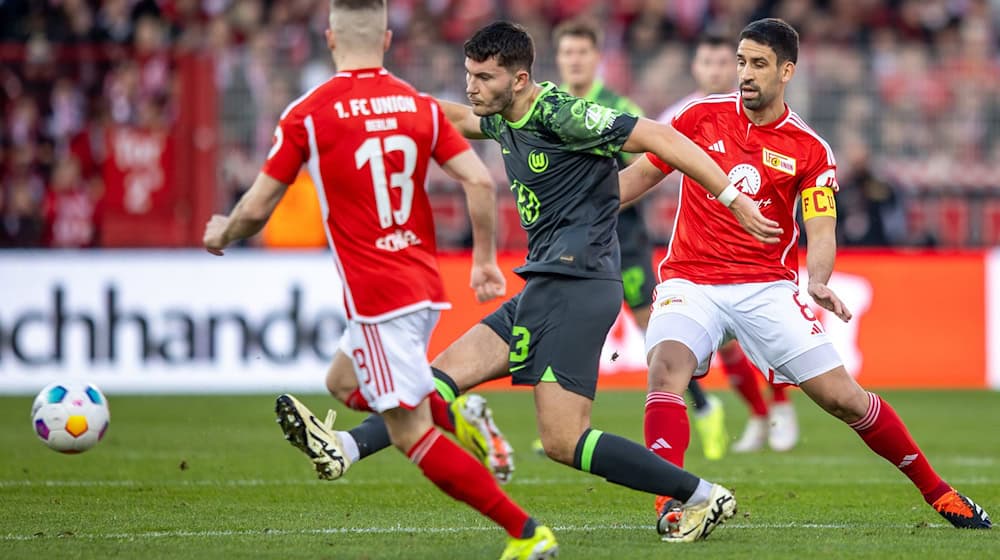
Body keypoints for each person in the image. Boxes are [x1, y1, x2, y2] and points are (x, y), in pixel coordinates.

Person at [201, 2, 559, 558]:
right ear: (389, 39)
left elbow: (256, 210)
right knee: (342, 383)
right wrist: (485, 260)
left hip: (377, 296)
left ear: (329, 38)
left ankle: (526, 532)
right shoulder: (416, 105)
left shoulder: (309, 112)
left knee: (407, 432)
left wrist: (223, 232)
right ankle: (462, 414)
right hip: (420, 280)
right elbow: (479, 181)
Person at [618, 18, 992, 532]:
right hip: (691, 279)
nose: (745, 74)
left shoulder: (809, 150)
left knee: (844, 397)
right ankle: (670, 503)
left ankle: (940, 492)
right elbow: (635, 180)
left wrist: (817, 279)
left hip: (764, 287)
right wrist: (571, 210)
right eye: (741, 62)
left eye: (759, 65)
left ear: (787, 70)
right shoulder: (698, 117)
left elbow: (821, 229)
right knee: (665, 370)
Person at [553, 18, 728, 462]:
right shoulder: (548, 105)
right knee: (565, 315)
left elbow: (645, 169)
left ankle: (705, 407)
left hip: (619, 230)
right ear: (559, 58)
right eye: (567, 53)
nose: (574, 60)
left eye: (581, 53)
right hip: (569, 229)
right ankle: (561, 421)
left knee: (650, 326)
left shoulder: (616, 105)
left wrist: (602, 201)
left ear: (596, 59)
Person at [656, 33, 799, 454]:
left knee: (768, 338)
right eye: (711, 63)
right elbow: (651, 167)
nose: (721, 71)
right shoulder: (682, 115)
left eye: (727, 62)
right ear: (697, 69)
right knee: (727, 346)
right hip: (704, 255)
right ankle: (760, 413)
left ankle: (781, 405)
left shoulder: (769, 116)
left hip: (759, 255)